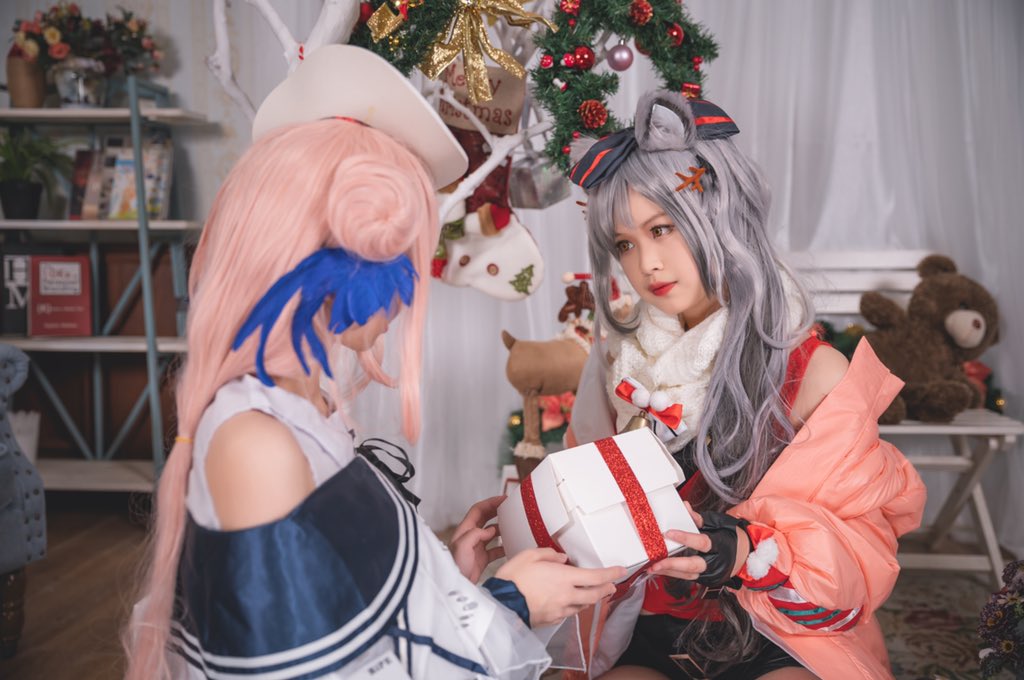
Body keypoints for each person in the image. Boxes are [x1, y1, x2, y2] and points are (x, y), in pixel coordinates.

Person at [123, 45, 624, 680]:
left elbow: (341, 600)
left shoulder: (309, 409)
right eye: (403, 258)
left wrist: (443, 574)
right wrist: (511, 602)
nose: (408, 292)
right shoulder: (255, 445)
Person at [563, 91, 927, 679]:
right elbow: (575, 498)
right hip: (647, 627)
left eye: (663, 228)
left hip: (777, 632)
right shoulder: (614, 365)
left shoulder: (814, 372)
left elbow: (864, 549)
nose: (646, 263)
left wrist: (751, 551)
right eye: (625, 244)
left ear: (722, 218)